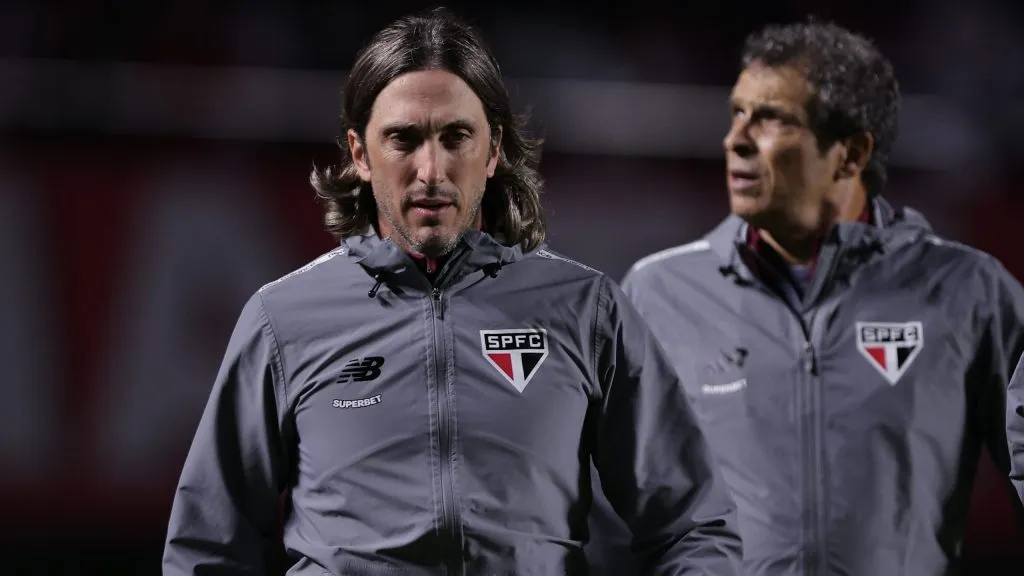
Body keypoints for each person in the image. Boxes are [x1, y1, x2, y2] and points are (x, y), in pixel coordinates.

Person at [162, 7, 742, 575]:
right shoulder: (281, 320)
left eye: (456, 136)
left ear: (492, 152)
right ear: (360, 155)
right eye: (403, 139)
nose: (432, 169)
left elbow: (693, 527)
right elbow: (208, 549)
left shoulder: (585, 310)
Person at [587, 18, 1024, 576]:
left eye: (772, 119)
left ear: (850, 154)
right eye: (737, 113)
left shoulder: (965, 291)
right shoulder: (659, 293)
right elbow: (606, 507)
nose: (735, 140)